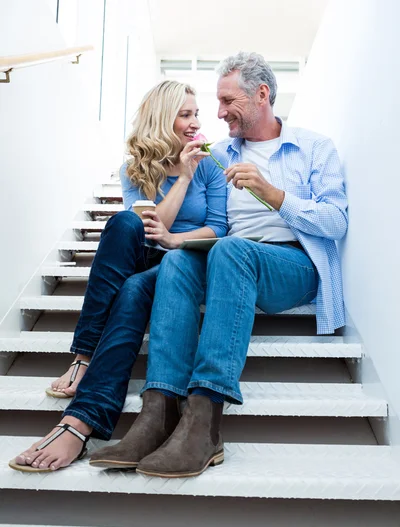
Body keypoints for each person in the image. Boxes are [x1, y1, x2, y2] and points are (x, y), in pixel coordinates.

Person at [94, 51, 348, 478]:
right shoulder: (217, 155)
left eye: (228, 101)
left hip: (292, 264)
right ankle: (158, 413)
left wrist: (274, 194)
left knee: (231, 248)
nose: (218, 113)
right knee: (176, 261)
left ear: (261, 94)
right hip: (230, 261)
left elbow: (336, 222)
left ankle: (205, 420)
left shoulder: (313, 148)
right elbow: (202, 219)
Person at [9, 80, 228, 473]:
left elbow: (218, 228)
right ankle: (85, 358)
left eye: (197, 113)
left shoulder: (210, 163)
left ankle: (79, 416)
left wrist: (176, 238)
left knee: (130, 290)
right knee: (124, 222)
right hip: (142, 251)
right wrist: (179, 177)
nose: (196, 122)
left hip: (183, 260)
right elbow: (145, 227)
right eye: (185, 114)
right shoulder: (136, 167)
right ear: (163, 119)